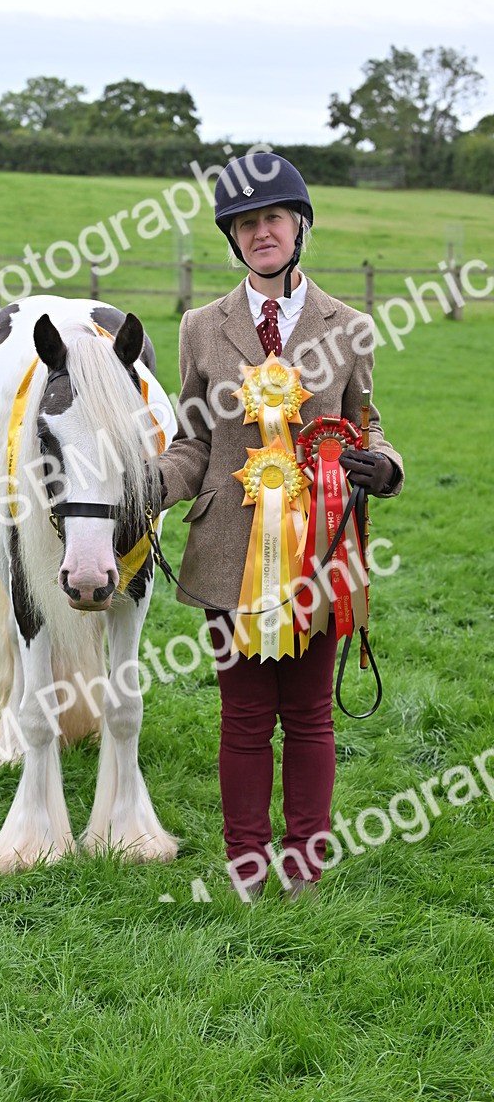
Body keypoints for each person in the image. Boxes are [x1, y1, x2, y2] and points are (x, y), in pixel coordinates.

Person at [157, 152, 403, 902]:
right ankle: (246, 862)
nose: (260, 232)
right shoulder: (202, 328)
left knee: (308, 716)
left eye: (272, 218)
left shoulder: (349, 326)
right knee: (243, 719)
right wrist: (150, 487)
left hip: (320, 553)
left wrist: (382, 468)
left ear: (299, 227)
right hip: (231, 550)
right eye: (245, 223)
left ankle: (303, 861)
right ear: (233, 239)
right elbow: (193, 442)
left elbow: (370, 425)